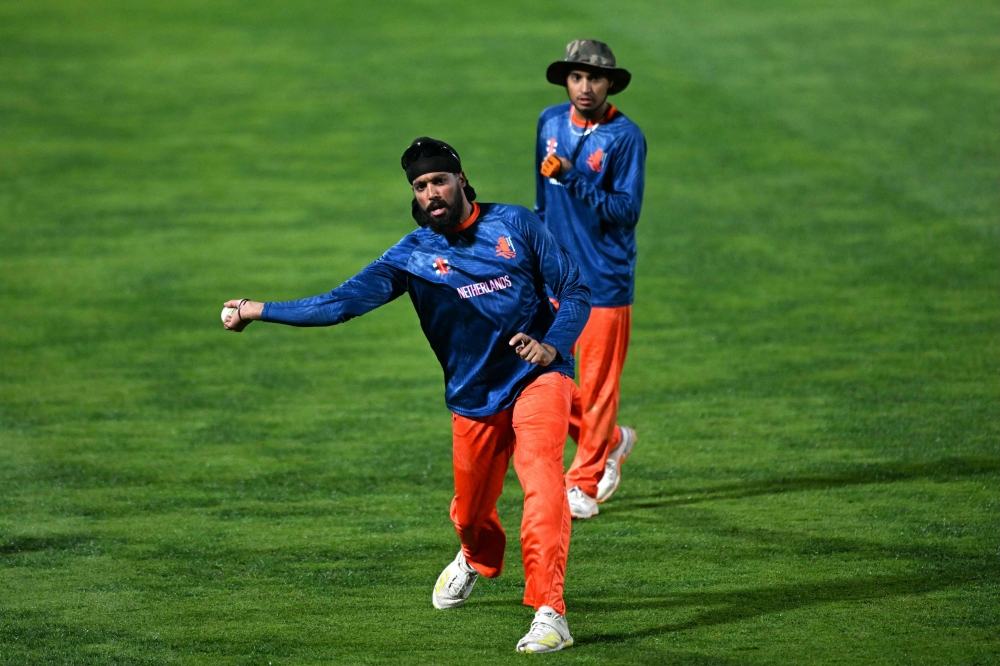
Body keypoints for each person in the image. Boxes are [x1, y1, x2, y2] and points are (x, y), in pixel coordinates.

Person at [222, 138, 590, 653]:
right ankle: (475, 557)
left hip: (539, 376)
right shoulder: (412, 255)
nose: (431, 192)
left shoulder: (516, 224)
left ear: (461, 181)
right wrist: (257, 309)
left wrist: (552, 346)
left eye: (439, 180)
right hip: (474, 395)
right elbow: (340, 304)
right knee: (470, 515)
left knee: (542, 479)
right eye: (420, 186)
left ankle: (550, 613)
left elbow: (574, 289)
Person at [535, 39, 647, 520]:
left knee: (598, 388)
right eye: (577, 77)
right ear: (566, 80)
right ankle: (612, 440)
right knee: (547, 376)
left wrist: (573, 177)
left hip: (604, 280)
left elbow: (626, 211)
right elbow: (542, 198)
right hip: (557, 277)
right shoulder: (549, 122)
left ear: (610, 84)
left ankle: (582, 483)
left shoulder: (625, 137)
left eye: (595, 78)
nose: (585, 87)